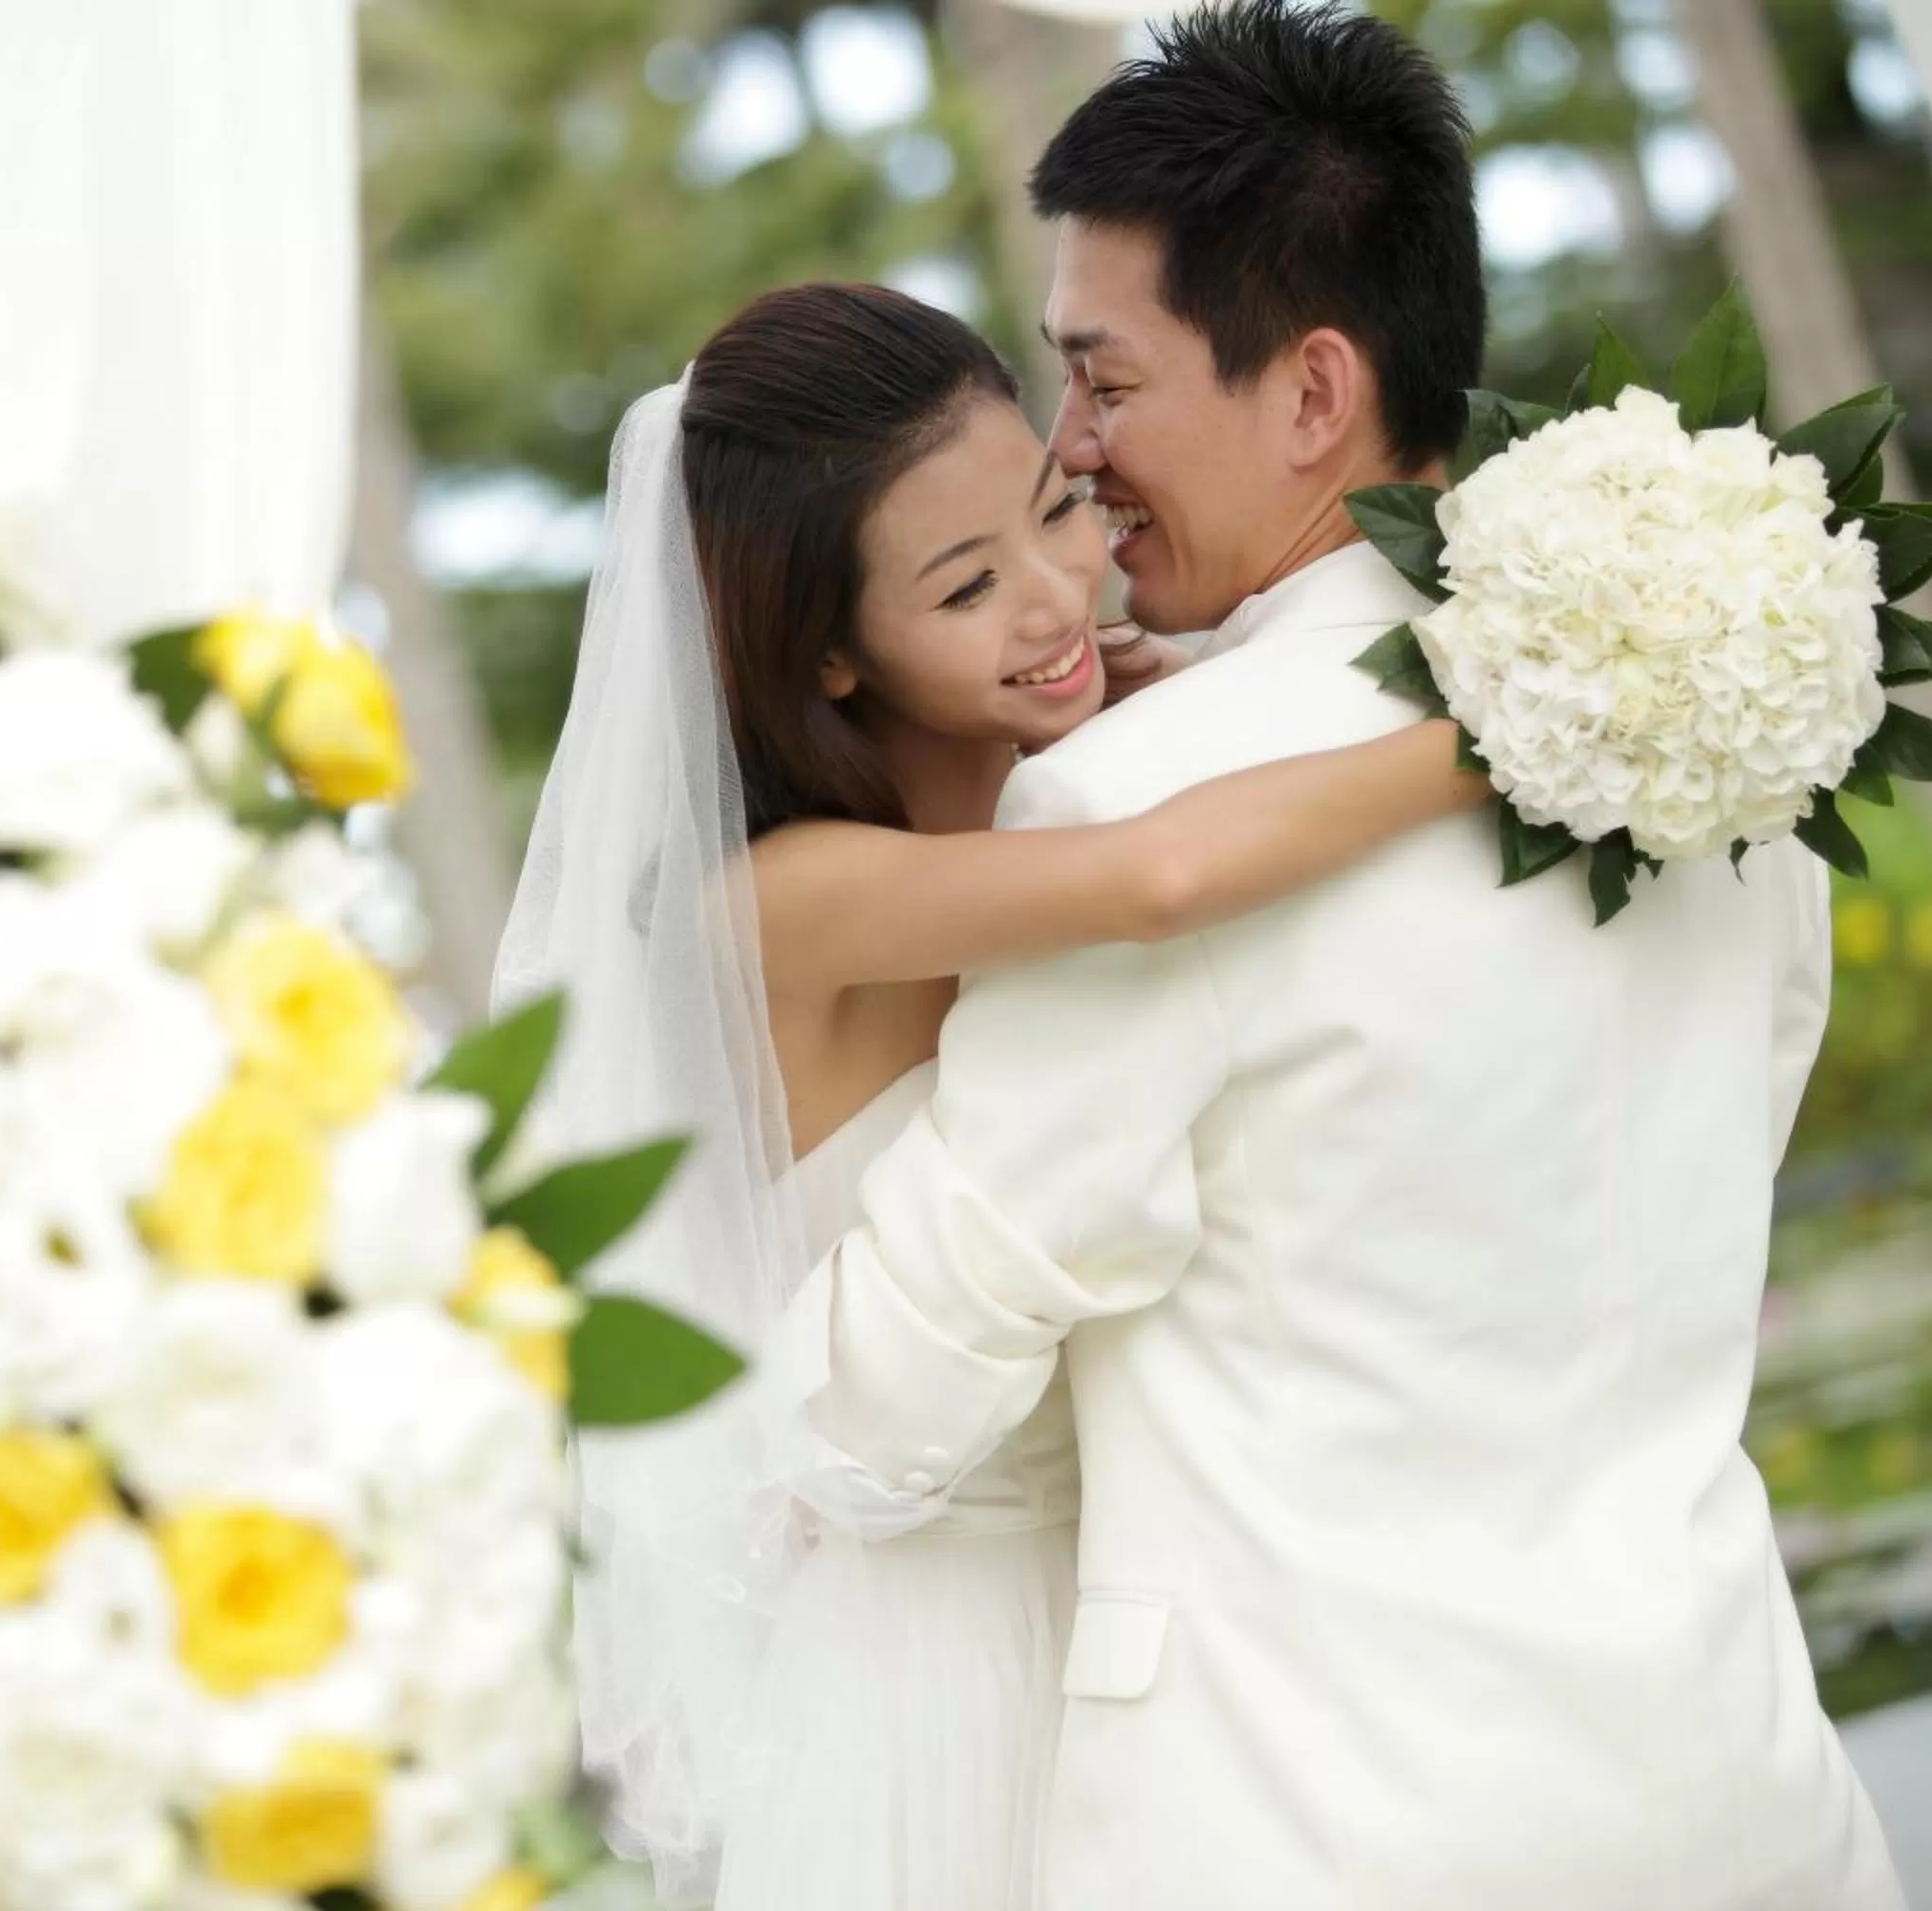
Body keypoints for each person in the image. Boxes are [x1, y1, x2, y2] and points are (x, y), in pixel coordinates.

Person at [768, 4, 1905, 1907]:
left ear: (1310, 395)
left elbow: (895, 1398)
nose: (1072, 450)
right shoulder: (1735, 737)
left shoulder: (1132, 797)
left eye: (1103, 382)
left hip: (1310, 1828)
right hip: (1745, 1791)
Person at [492, 275, 1475, 1911]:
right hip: (943, 1664)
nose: (1054, 596)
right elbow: (1160, 881)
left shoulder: (1068, 771)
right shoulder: (779, 901)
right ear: (826, 654)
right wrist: (1527, 729)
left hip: (1172, 1624)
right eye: (965, 586)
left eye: (1057, 511)